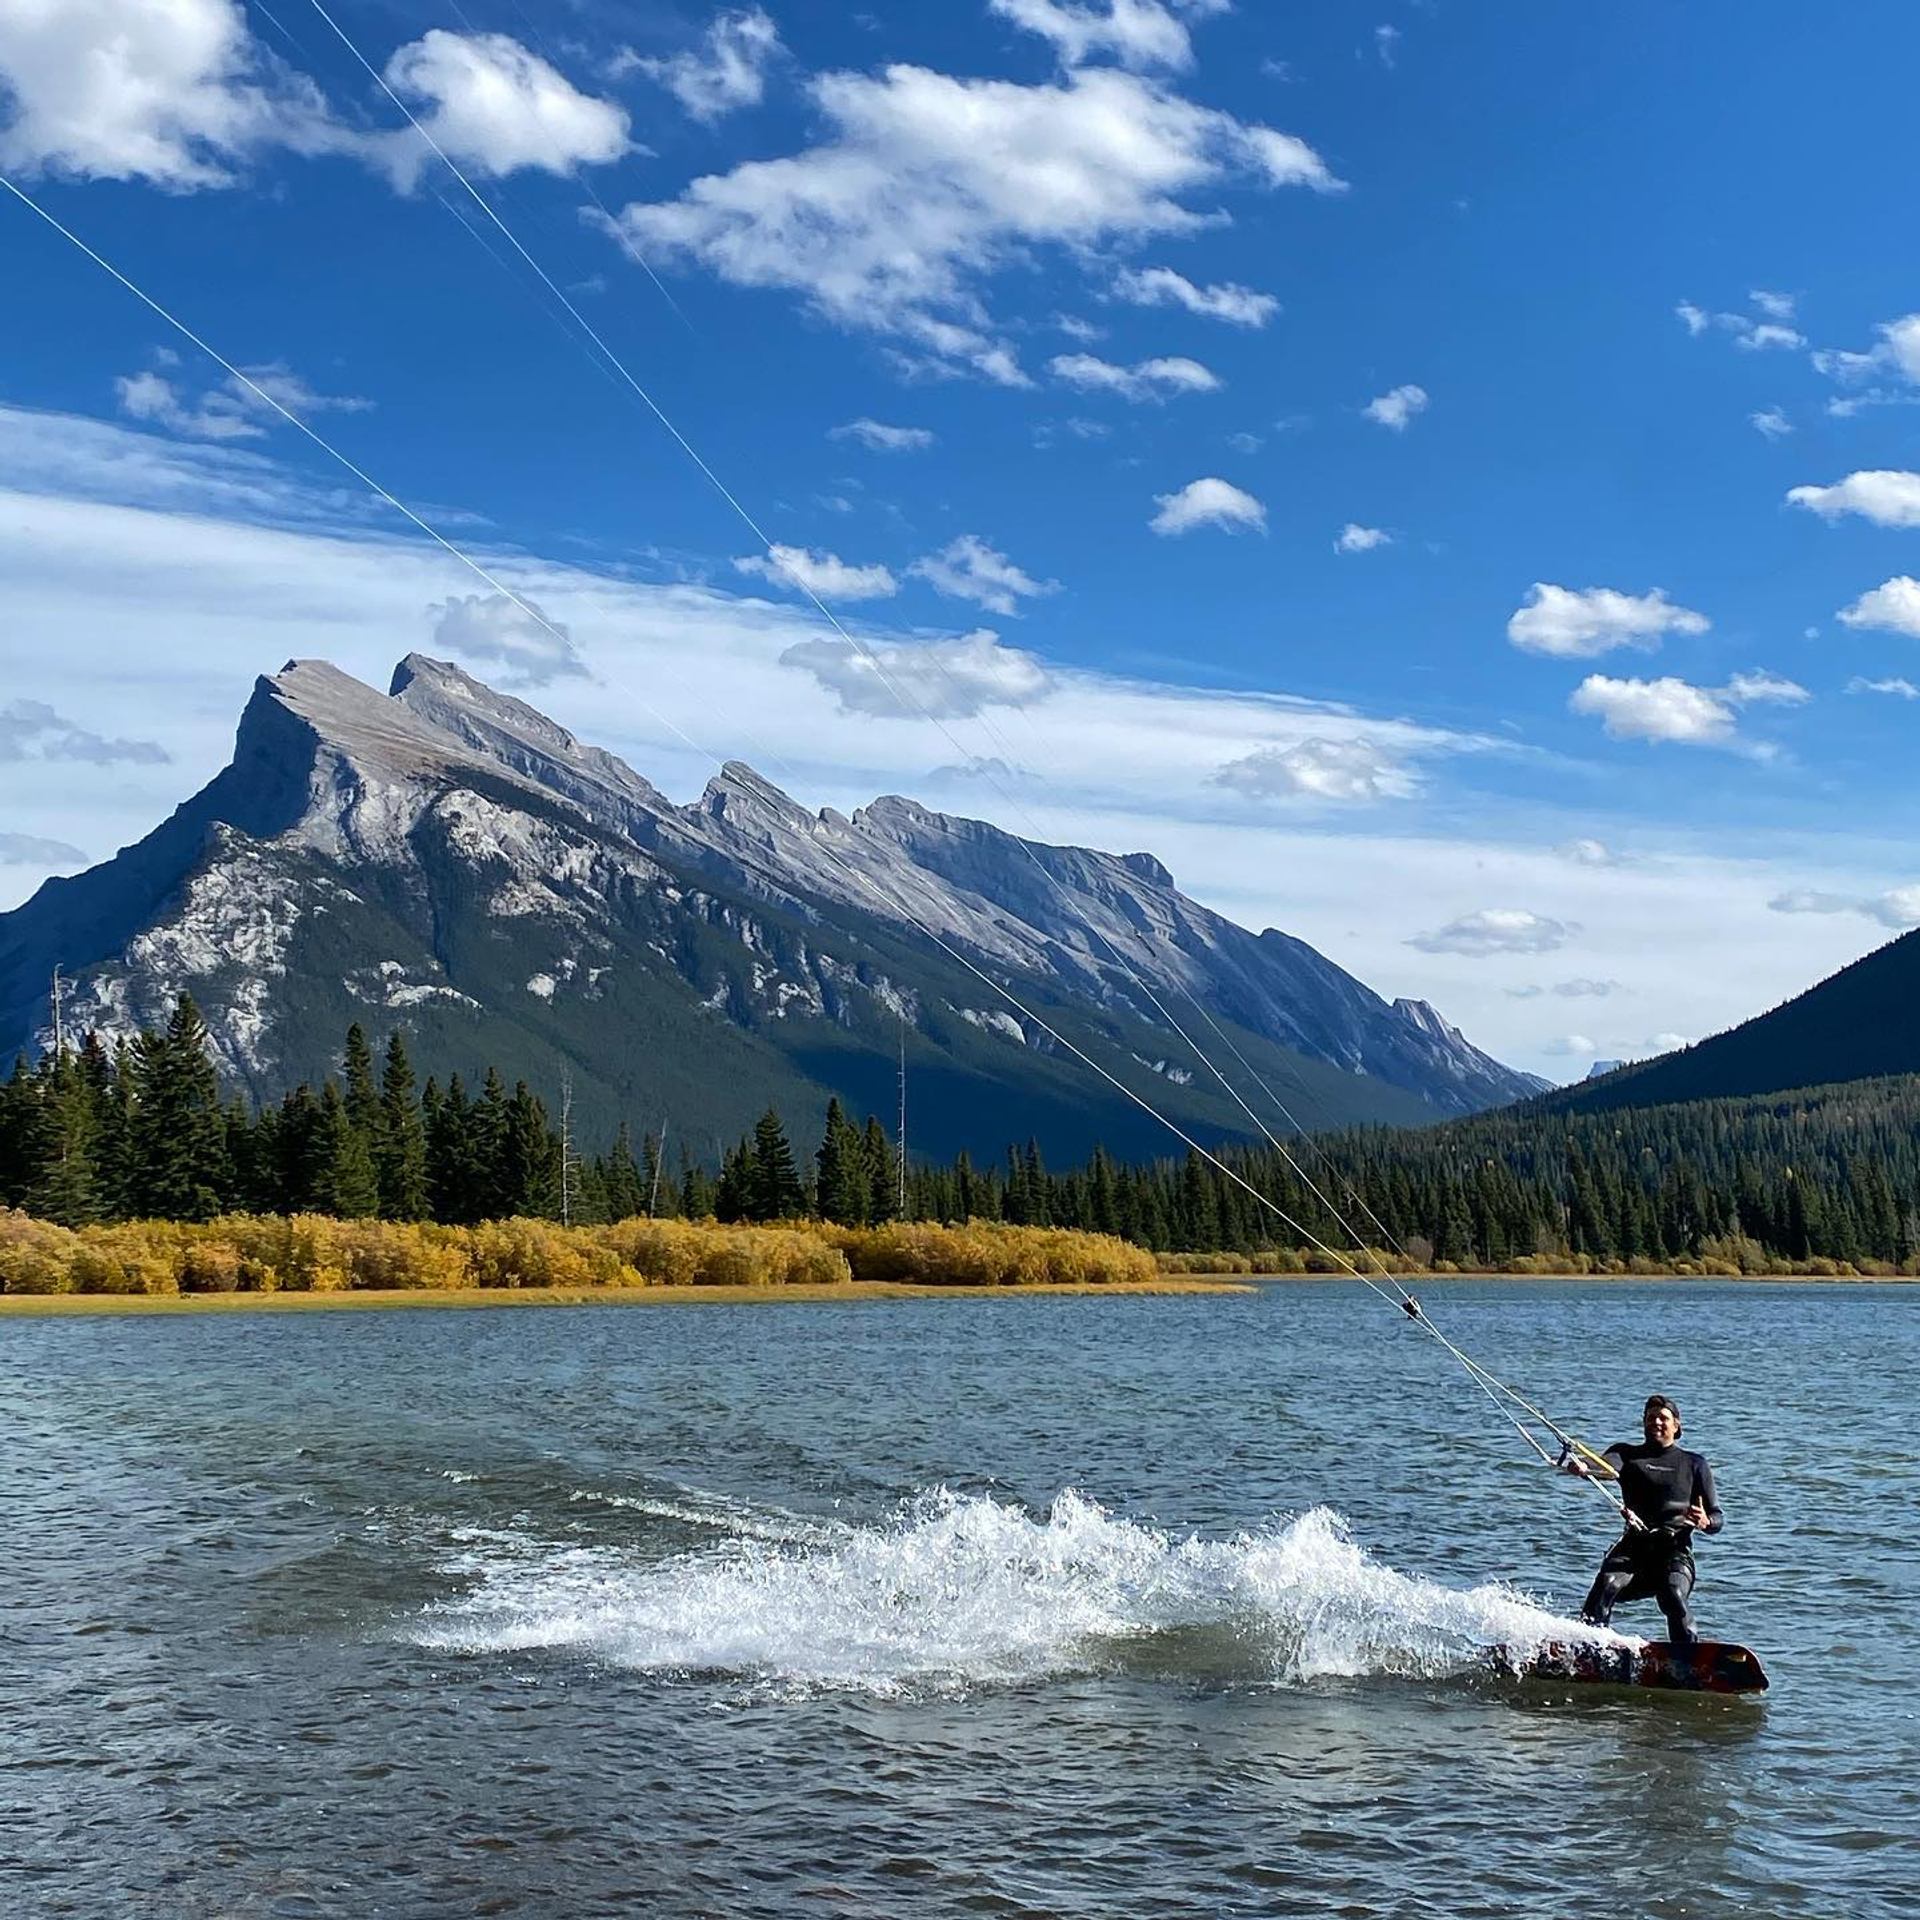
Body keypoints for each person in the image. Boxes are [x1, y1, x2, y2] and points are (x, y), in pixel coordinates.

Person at [1565, 1394, 1722, 1644]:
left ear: (1677, 1425)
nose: (1656, 1422)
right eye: (1650, 1418)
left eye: (1663, 1418)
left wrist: (1705, 1522)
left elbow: (1717, 1518)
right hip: (1633, 1548)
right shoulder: (1626, 1455)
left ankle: (1688, 1657)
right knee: (1606, 1585)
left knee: (1673, 1594)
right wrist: (1583, 1467)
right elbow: (1603, 1466)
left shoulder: (1694, 1464)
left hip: (1674, 1551)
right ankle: (1588, 1649)